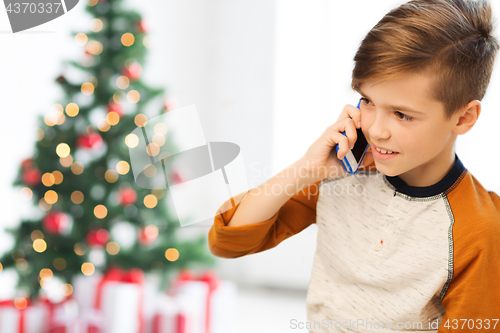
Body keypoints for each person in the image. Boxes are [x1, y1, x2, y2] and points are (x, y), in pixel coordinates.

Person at [208, 0, 500, 332]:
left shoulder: (479, 230)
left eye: (402, 114)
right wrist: (307, 169)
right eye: (368, 102)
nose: (376, 130)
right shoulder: (341, 173)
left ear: (463, 117)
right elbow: (228, 241)